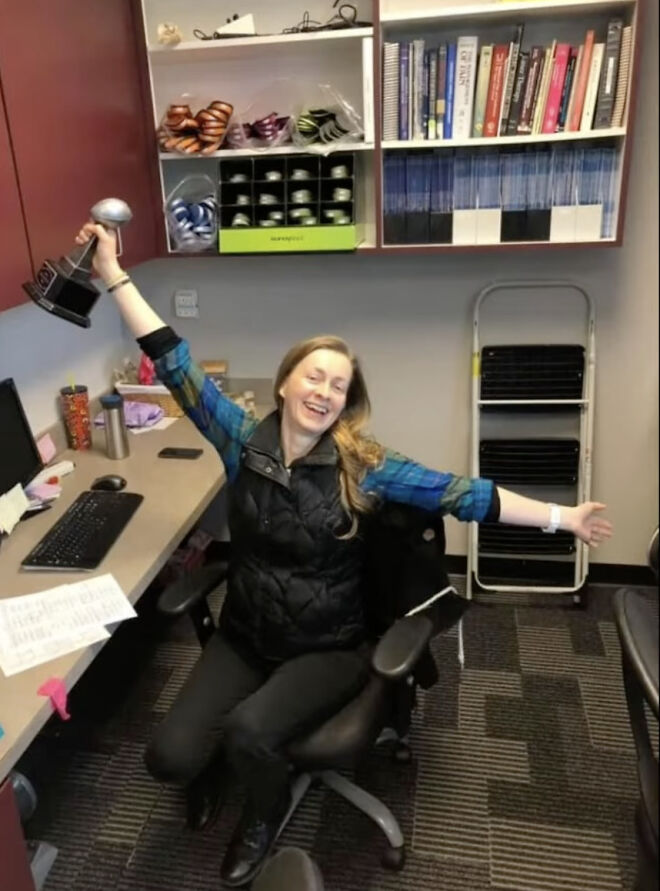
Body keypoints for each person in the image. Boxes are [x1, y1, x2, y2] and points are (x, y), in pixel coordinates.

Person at [76, 222, 613, 887]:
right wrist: (110, 271)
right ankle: (232, 759)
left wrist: (564, 516)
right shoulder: (241, 438)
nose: (325, 390)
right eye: (314, 374)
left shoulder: (368, 466)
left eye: (338, 384)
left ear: (345, 402)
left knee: (248, 731)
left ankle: (263, 815)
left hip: (327, 645)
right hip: (245, 634)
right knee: (169, 757)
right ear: (284, 383)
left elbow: (463, 494)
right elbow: (173, 360)